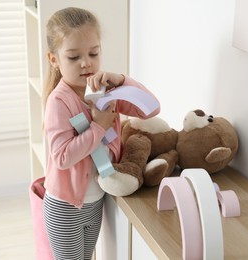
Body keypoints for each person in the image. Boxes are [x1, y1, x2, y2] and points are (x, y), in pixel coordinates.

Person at [42, 7, 160, 260]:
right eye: (73, 57)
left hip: (95, 202)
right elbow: (62, 156)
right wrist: (99, 126)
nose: (86, 63)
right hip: (66, 206)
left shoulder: (106, 89)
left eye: (93, 53)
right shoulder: (58, 102)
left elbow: (151, 108)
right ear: (54, 59)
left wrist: (122, 80)